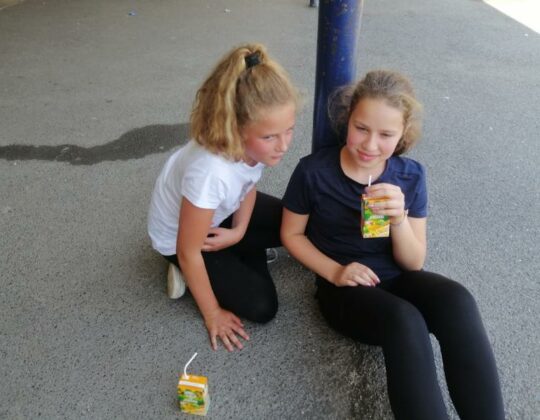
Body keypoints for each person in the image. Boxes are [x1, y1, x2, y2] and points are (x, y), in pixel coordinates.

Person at [281, 70, 504, 419]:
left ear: (402, 134)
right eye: (361, 128)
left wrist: (399, 219)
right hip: (344, 290)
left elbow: (413, 263)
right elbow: (291, 234)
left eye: (386, 135)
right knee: (405, 320)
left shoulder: (410, 175)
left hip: (397, 278)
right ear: (348, 119)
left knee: (457, 299)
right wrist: (335, 271)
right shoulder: (314, 172)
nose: (370, 145)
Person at [148, 43, 298, 352]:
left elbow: (247, 185)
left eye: (289, 130)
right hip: (182, 241)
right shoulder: (210, 172)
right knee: (262, 306)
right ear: (237, 129)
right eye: (270, 136)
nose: (283, 146)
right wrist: (212, 313)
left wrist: (239, 231)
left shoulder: (253, 148)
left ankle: (238, 250)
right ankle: (186, 274)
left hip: (218, 213)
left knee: (293, 222)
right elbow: (188, 249)